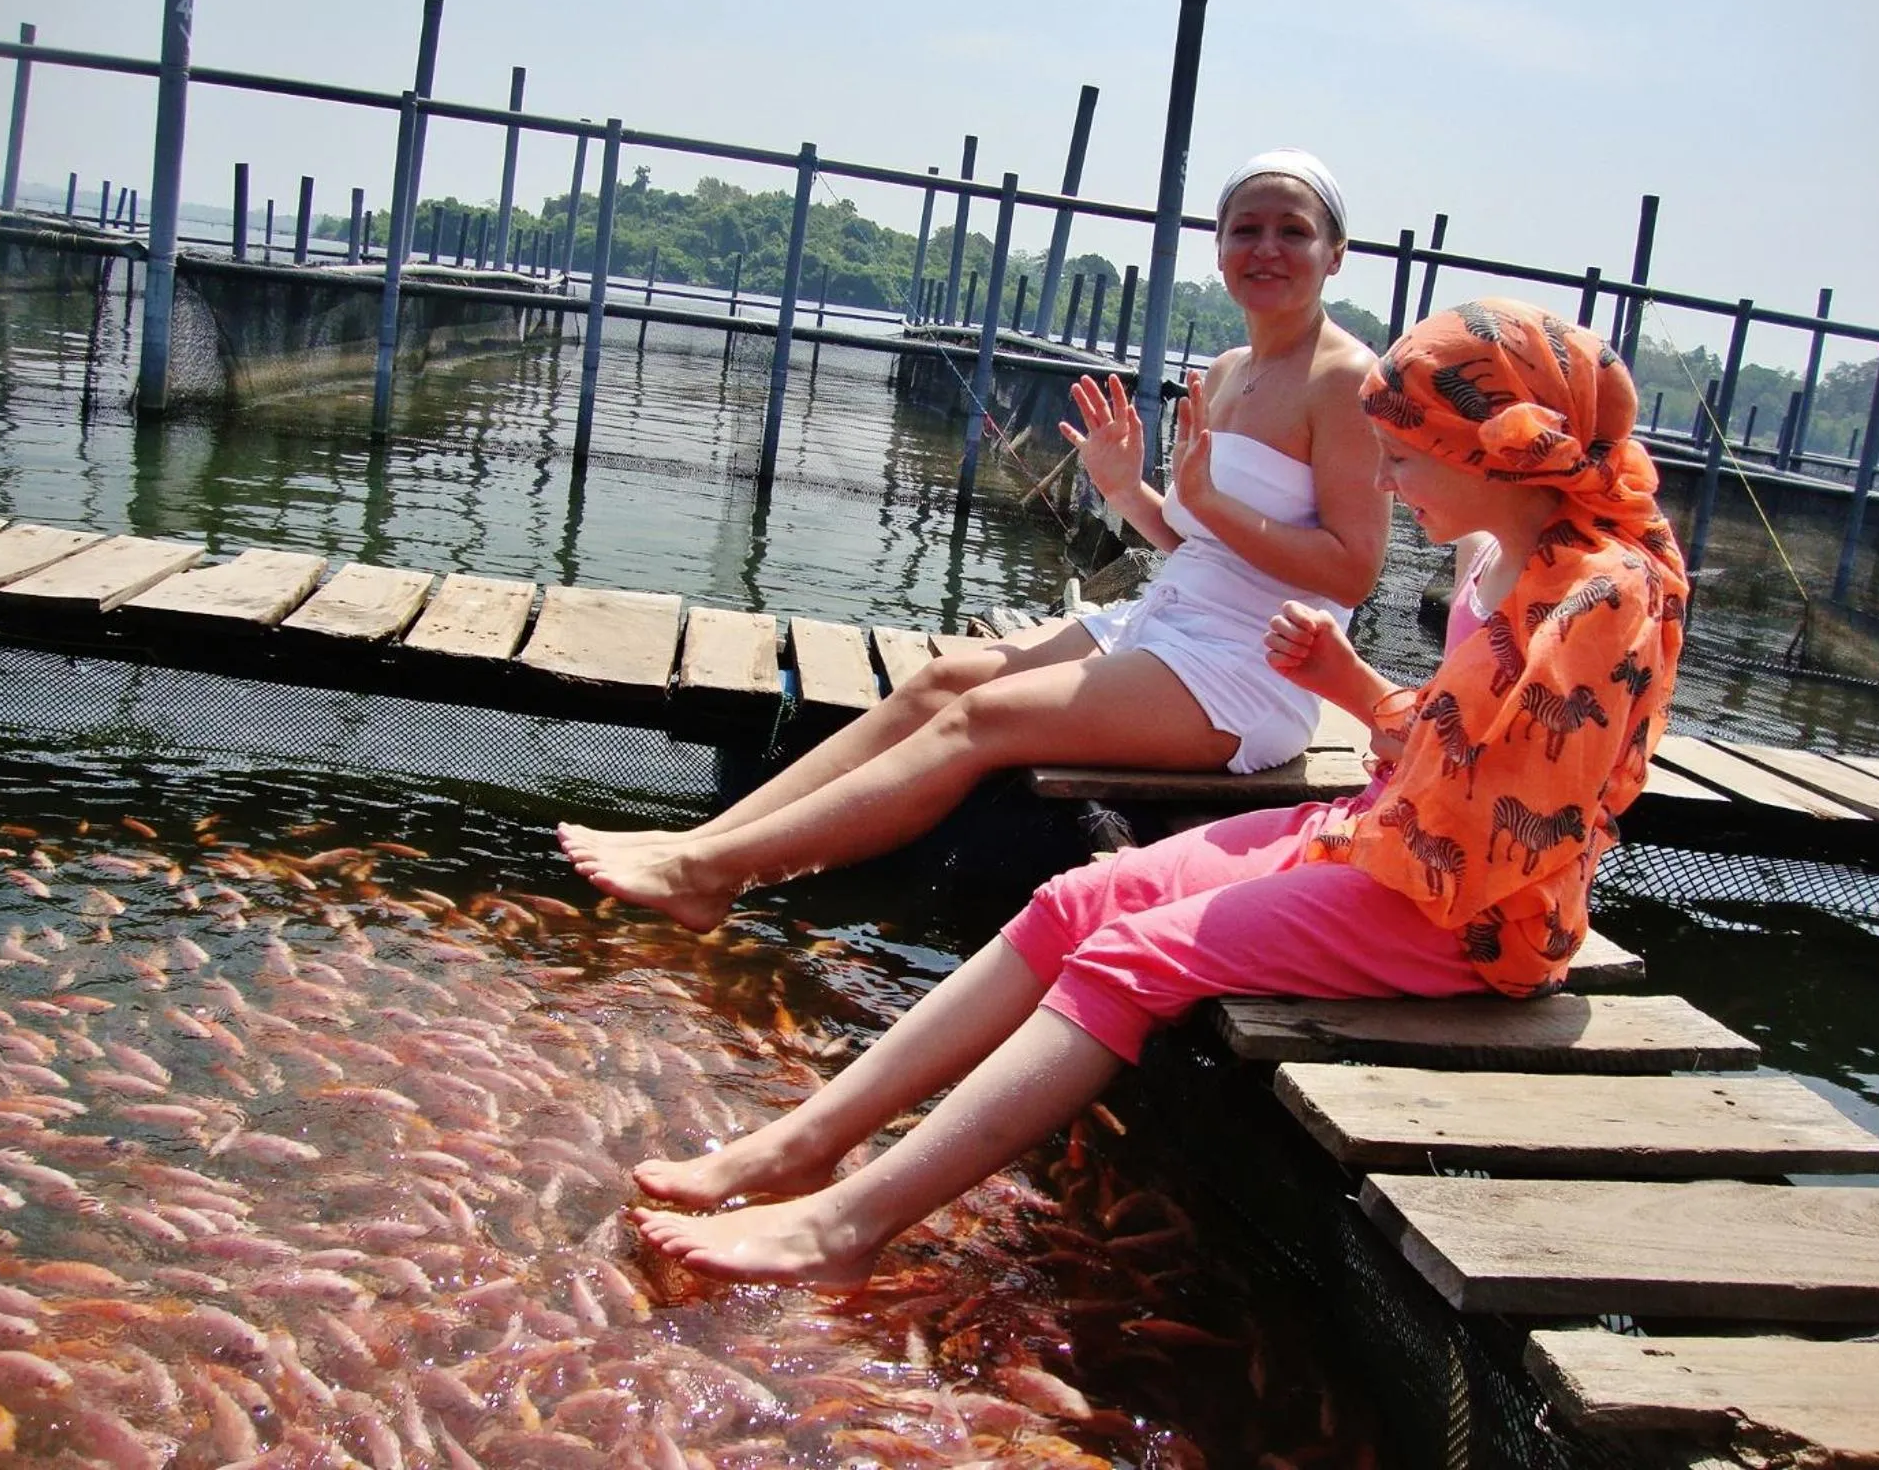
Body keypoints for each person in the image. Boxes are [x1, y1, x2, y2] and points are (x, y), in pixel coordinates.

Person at [627, 297, 1689, 1287]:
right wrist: (1362, 704)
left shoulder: (1595, 598)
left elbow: (1511, 817)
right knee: (1074, 903)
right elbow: (1459, 751)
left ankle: (843, 1229)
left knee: (1130, 958)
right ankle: (800, 1145)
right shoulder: (1504, 549)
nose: (1383, 482)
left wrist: (1359, 698)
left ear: (1490, 449)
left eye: (1405, 457)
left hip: (1459, 915)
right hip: (1390, 839)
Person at [560, 149, 1389, 933]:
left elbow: (1351, 575)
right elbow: (1201, 544)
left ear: (1336, 253)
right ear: (1219, 246)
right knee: (942, 681)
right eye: (1246, 229)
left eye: (1293, 230)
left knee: (982, 717)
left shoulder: (1348, 381)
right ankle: (699, 845)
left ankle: (712, 877)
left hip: (1249, 669)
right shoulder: (1227, 367)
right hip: (1161, 625)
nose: (1267, 248)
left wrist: (1208, 498)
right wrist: (1124, 491)